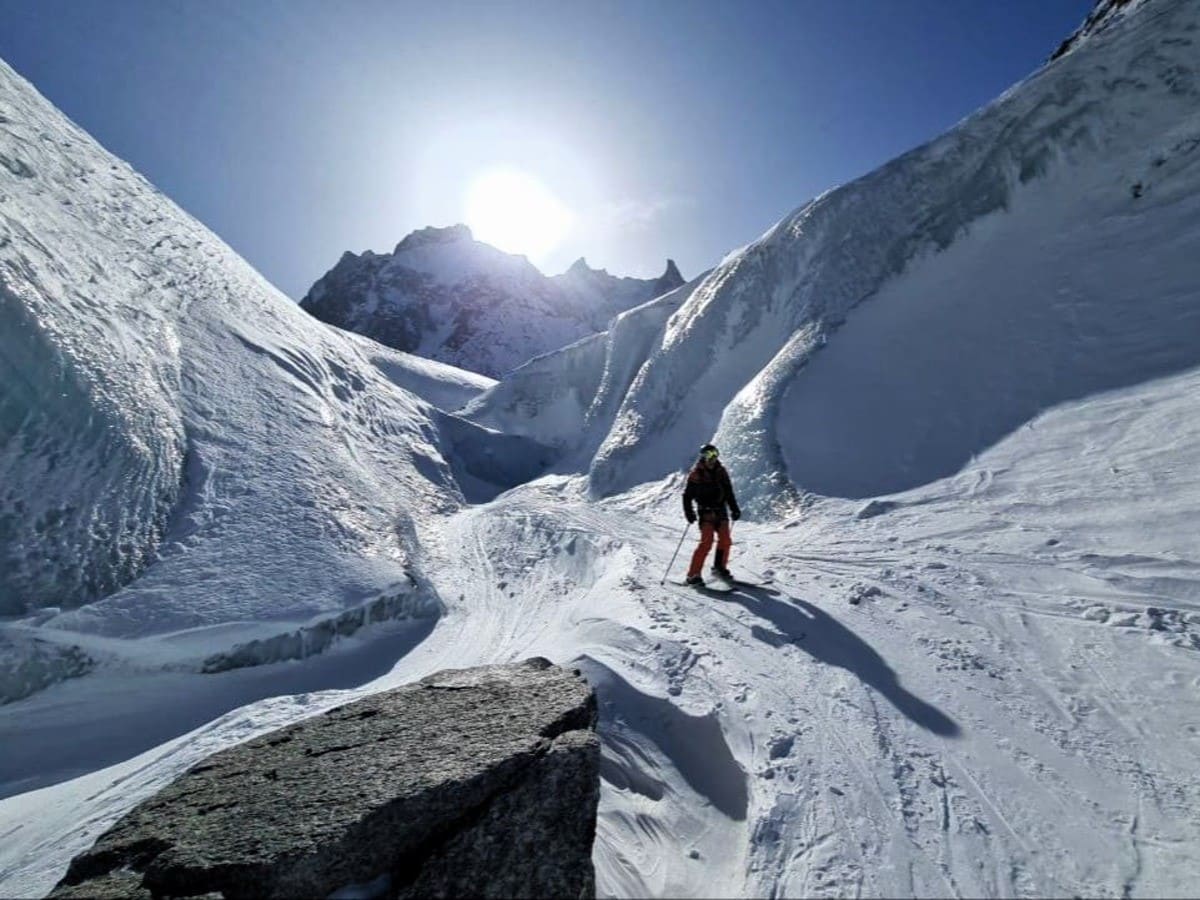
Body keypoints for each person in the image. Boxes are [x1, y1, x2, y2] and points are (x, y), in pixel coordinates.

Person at [682, 443, 741, 585]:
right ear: (703, 457)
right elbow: (687, 496)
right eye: (708, 455)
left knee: (725, 540)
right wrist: (689, 513)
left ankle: (719, 568)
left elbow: (728, 492)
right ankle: (693, 575)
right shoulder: (696, 474)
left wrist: (735, 509)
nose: (712, 458)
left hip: (721, 510)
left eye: (714, 454)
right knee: (706, 543)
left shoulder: (721, 471)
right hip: (705, 512)